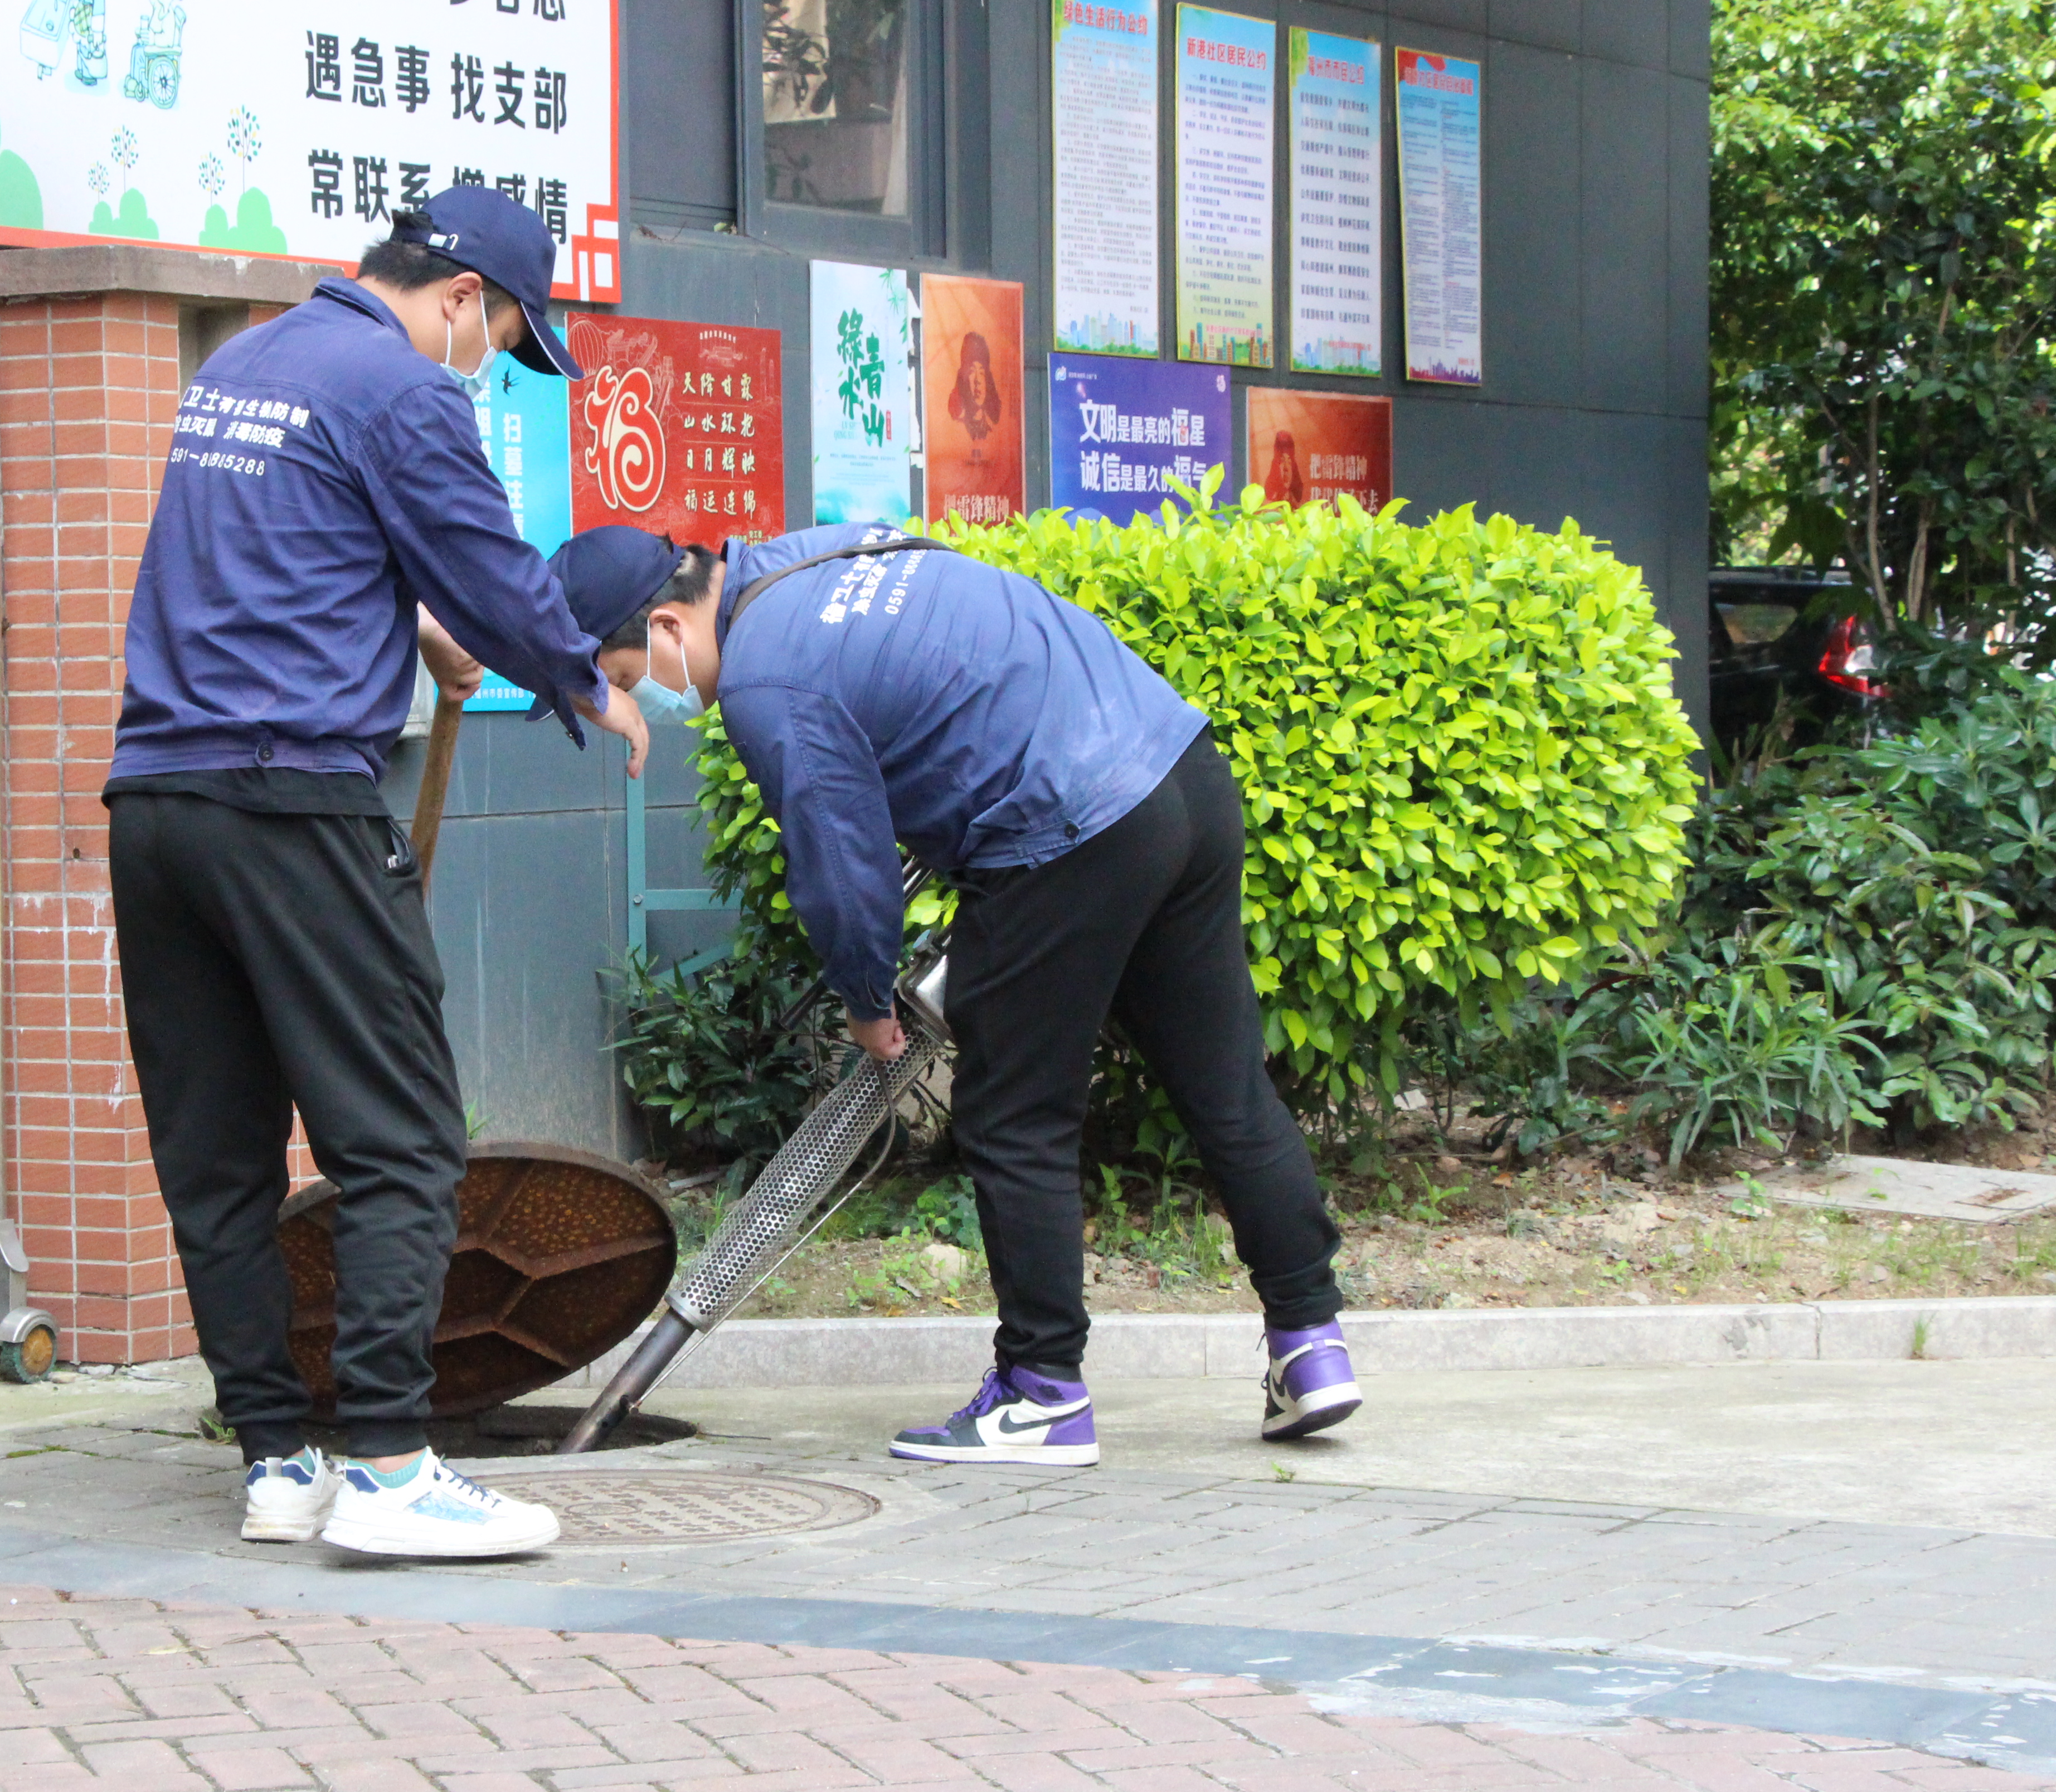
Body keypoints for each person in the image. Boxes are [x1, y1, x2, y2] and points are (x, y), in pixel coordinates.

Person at [546, 522, 1361, 1464]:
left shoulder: (767, 683)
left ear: (664, 627)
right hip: (1176, 769)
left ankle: (1042, 1390)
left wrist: (867, 1004)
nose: (629, 696)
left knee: (1015, 1115)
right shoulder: (812, 556)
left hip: (1067, 822)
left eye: (616, 672)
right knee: (1225, 1086)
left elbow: (839, 870)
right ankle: (1311, 1346)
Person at [106, 188, 649, 1555]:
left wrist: (408, 624)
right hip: (295, 808)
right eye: (508, 333)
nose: (494, 361)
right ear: (462, 297)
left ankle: (279, 1463)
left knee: (219, 1161)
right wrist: (591, 680)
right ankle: (396, 1470)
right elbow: (493, 570)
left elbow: (277, 562)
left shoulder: (244, 366)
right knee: (404, 1141)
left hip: (160, 805)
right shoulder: (404, 390)